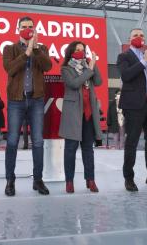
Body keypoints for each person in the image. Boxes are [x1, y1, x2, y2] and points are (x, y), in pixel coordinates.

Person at [3, 16, 53, 196]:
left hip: (36, 100)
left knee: (38, 141)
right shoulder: (10, 48)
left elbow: (47, 66)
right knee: (12, 141)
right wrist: (27, 52)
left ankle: (37, 180)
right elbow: (10, 69)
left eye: (30, 27)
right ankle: (10, 180)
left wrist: (36, 49)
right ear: (18, 29)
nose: (27, 29)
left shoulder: (43, 48)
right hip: (16, 100)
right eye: (24, 27)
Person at [117, 28, 147, 192]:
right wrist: (144, 61)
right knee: (131, 142)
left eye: (142, 35)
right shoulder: (124, 56)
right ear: (129, 38)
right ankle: (129, 179)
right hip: (133, 105)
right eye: (135, 35)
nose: (139, 37)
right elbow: (126, 76)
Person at [59, 42, 102, 193]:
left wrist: (93, 65)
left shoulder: (87, 66)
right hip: (73, 113)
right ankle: (69, 181)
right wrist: (89, 70)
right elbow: (74, 83)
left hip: (88, 114)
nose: (80, 52)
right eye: (77, 50)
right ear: (71, 51)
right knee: (70, 149)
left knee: (88, 149)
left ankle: (90, 180)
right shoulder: (66, 69)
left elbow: (98, 81)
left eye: (83, 50)